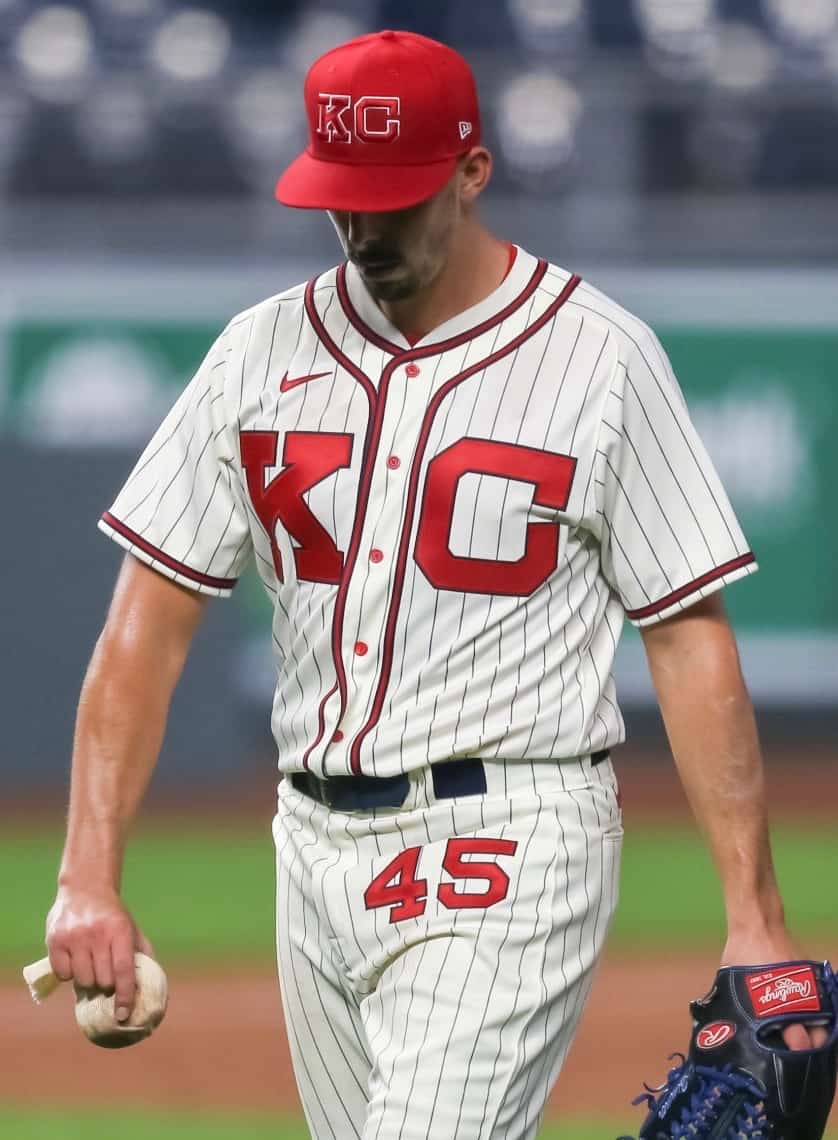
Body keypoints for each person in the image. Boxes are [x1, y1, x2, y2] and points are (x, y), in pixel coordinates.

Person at [45, 29, 823, 1140]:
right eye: (341, 200)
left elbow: (686, 629)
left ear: (470, 173)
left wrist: (755, 920)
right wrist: (89, 875)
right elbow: (148, 621)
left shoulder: (599, 357)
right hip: (308, 847)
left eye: (393, 199)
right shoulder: (254, 355)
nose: (363, 230)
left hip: (513, 835)